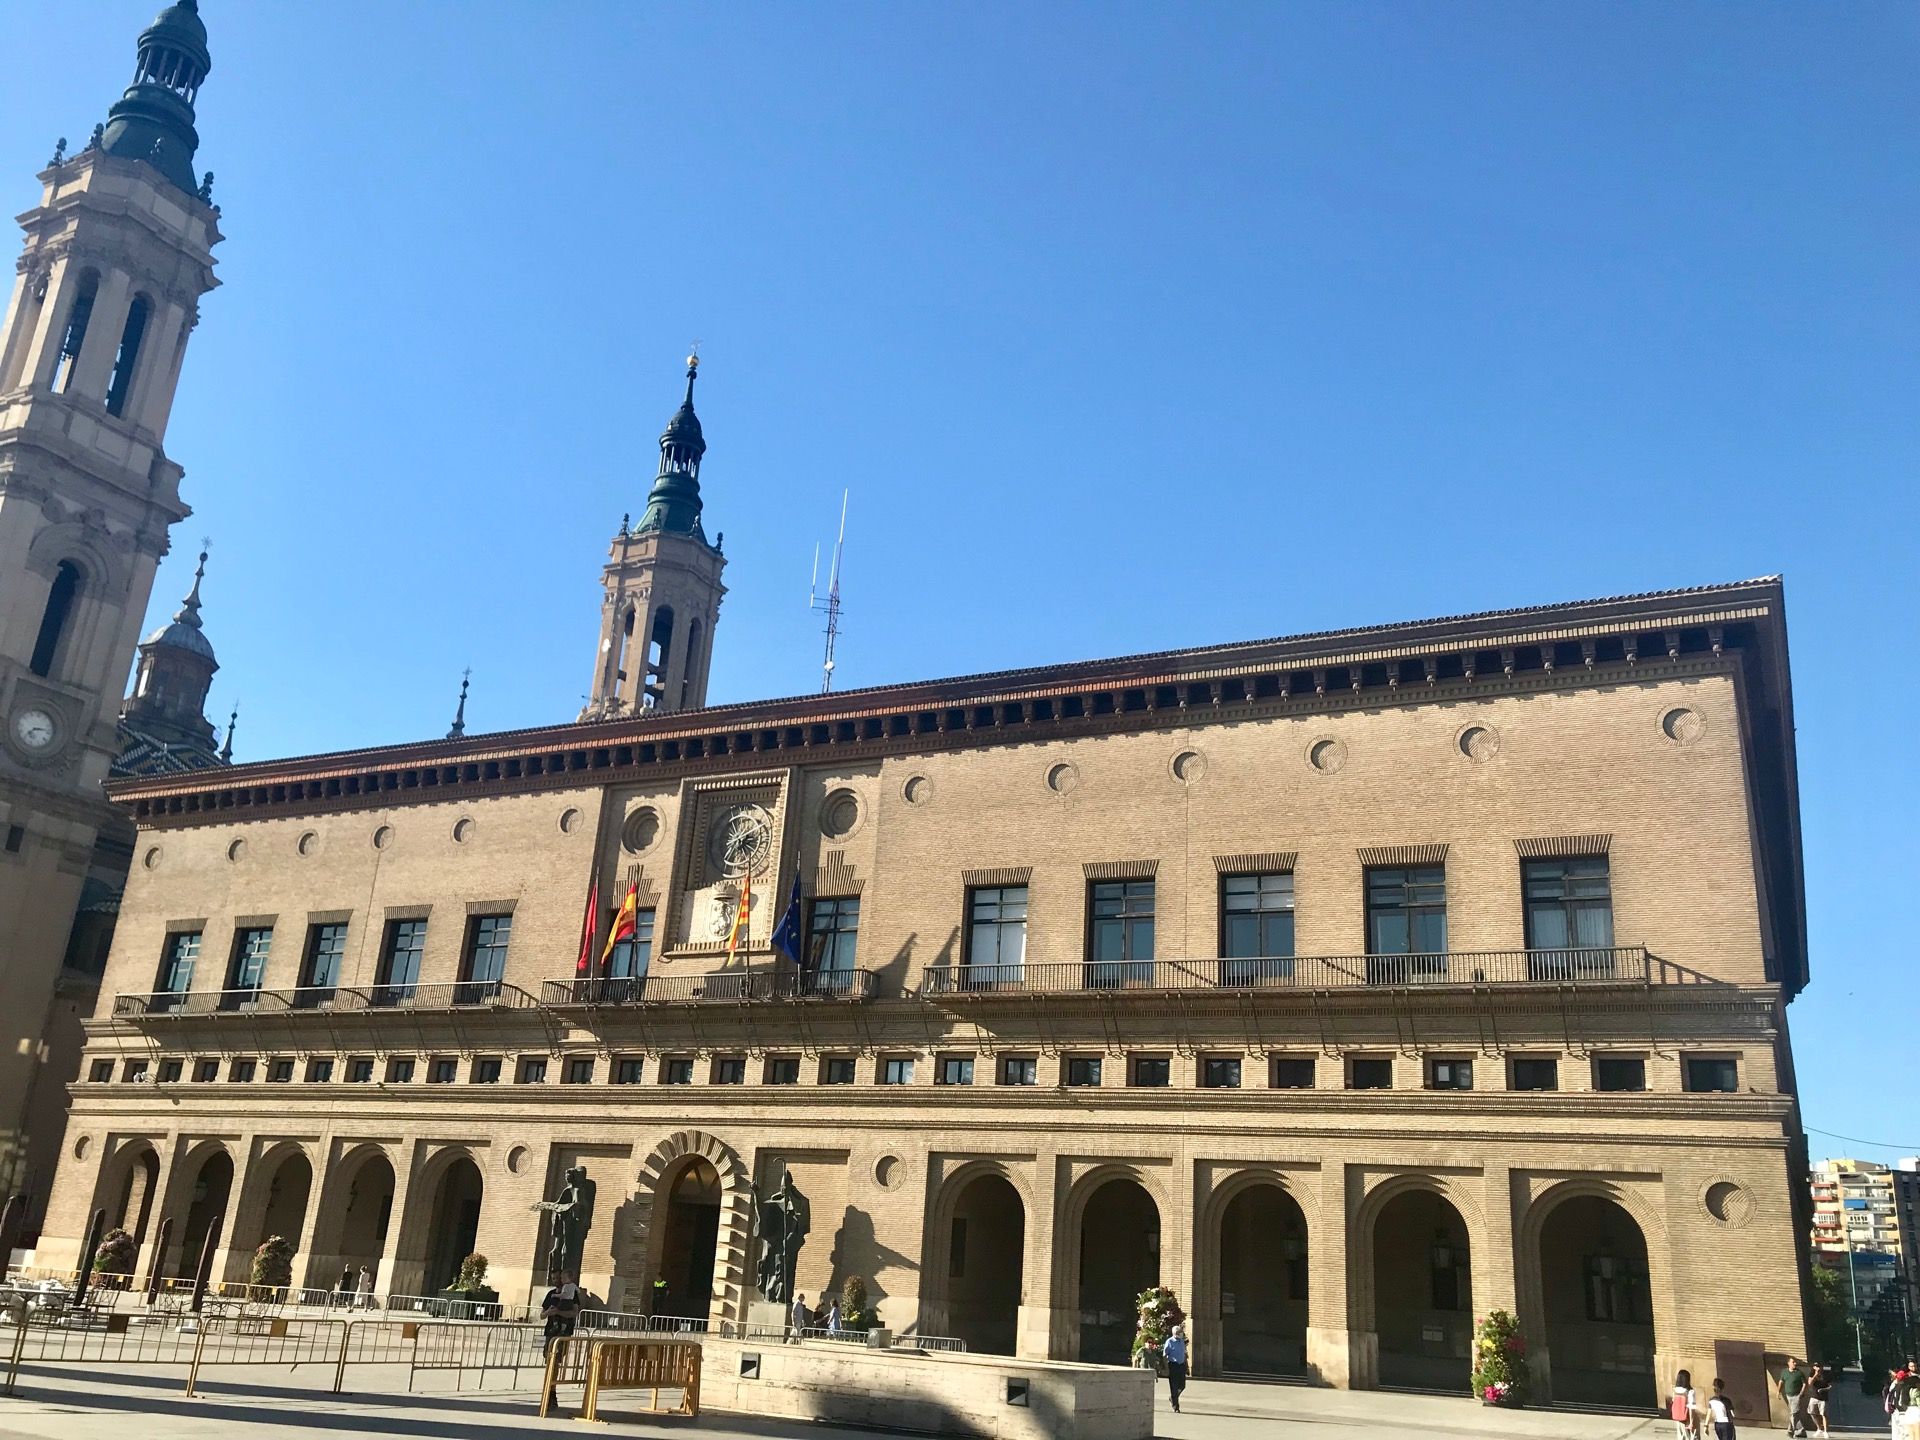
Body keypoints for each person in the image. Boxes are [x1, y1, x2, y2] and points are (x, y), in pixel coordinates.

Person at [540, 1269, 582, 1356]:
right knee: (548, 1356)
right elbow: (542, 1315)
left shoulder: (571, 1294)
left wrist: (558, 1312)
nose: (556, 1281)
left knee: (559, 1357)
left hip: (564, 1332)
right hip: (550, 1331)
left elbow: (574, 1313)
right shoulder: (550, 1294)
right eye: (553, 1278)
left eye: (558, 1278)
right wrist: (548, 1312)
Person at [1779, 1357, 1809, 1438]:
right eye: (1793, 1362)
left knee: (1794, 1413)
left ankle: (1790, 1431)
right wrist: (1778, 1392)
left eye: (1795, 1362)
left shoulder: (1799, 1373)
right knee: (1795, 1414)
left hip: (1796, 1396)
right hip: (1788, 1395)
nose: (1795, 1363)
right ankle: (1802, 1431)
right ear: (1788, 1363)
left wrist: (1801, 1393)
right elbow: (1781, 1381)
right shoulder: (1784, 1372)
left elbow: (1805, 1383)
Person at [1164, 1323, 1189, 1414]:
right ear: (1175, 1333)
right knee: (1174, 1387)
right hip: (1173, 1365)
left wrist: (1186, 1366)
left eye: (1181, 1332)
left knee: (1182, 1385)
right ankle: (1176, 1406)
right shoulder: (1169, 1342)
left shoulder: (1182, 1341)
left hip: (1181, 1365)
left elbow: (1184, 1354)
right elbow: (1164, 1355)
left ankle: (1173, 1397)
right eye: (1179, 1332)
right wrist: (1166, 1368)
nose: (1181, 1333)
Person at [1671, 1368, 1700, 1440]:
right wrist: (1692, 1422)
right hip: (1688, 1418)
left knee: (1681, 1437)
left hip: (1679, 1418)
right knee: (1693, 1437)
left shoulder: (1675, 1390)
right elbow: (1691, 1408)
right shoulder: (1690, 1391)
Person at [1805, 1362, 1830, 1440]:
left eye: (1819, 1366)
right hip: (1814, 1397)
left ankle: (1825, 1431)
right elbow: (1809, 1383)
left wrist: (1823, 1389)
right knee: (1811, 1412)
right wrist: (1815, 1375)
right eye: (1816, 1366)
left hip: (1823, 1398)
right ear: (1814, 1367)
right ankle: (1819, 1428)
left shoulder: (1825, 1375)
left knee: (1823, 1414)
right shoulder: (1812, 1374)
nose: (1818, 1368)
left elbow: (1830, 1386)